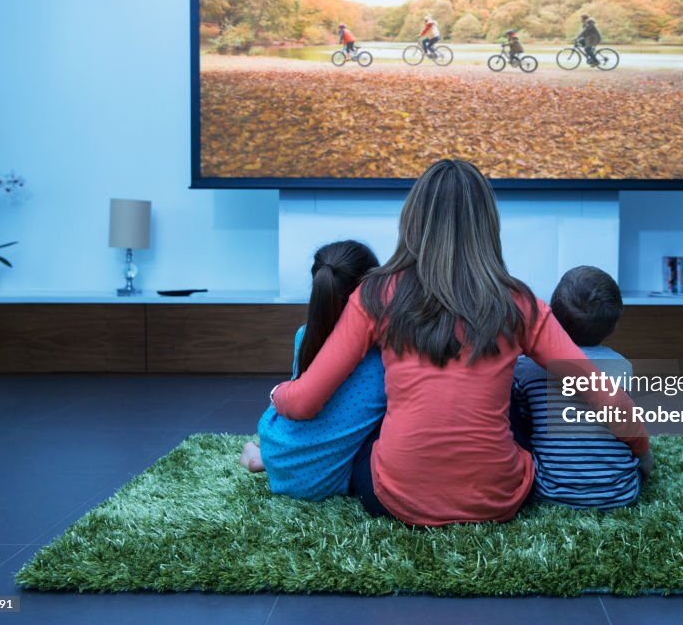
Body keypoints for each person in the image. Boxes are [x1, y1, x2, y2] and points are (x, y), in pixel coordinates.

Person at [270, 159, 650, 526]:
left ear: (413, 220)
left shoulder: (374, 294)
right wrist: (641, 449)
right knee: (515, 392)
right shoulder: (519, 303)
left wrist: (278, 394)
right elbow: (603, 393)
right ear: (488, 225)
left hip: (396, 499)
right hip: (498, 499)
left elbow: (303, 403)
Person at [239, 240, 387, 502]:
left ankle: (259, 458)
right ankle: (260, 458)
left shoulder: (305, 335)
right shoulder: (386, 355)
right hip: (324, 479)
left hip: (281, 449)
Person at [511, 266, 653, 510]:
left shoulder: (526, 368)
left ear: (551, 316)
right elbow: (627, 422)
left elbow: (523, 422)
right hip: (619, 493)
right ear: (614, 326)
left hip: (548, 490)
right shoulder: (621, 367)